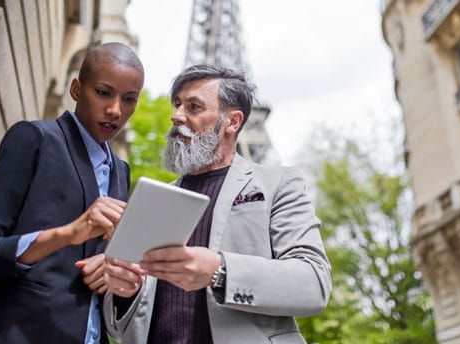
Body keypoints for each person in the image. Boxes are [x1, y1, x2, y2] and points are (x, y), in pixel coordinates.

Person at [102, 64, 332, 344]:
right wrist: (125, 292)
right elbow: (120, 326)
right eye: (177, 105)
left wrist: (219, 271)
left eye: (194, 107)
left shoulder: (279, 184)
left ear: (232, 122)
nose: (176, 116)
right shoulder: (154, 202)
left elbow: (314, 284)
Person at [0, 42, 144, 343]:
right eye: (104, 92)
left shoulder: (121, 172)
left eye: (129, 99)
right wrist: (65, 234)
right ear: (77, 89)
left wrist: (114, 272)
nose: (115, 110)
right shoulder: (35, 139)